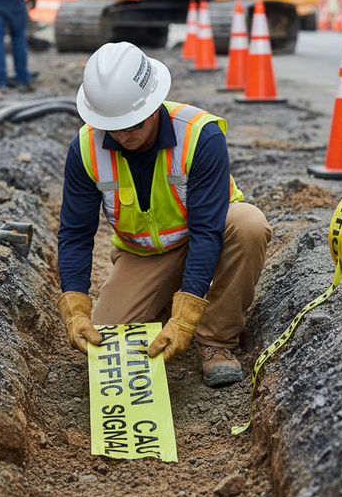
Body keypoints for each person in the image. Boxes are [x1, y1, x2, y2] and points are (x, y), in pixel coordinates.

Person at [56, 41, 272, 387]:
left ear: (154, 106)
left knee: (248, 224)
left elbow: (206, 231)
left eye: (134, 125)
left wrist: (187, 318)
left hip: (209, 236)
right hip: (145, 255)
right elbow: (75, 234)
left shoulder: (200, 135)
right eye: (115, 126)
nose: (124, 136)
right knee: (111, 337)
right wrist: (76, 307)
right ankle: (161, 309)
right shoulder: (85, 149)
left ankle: (216, 339)